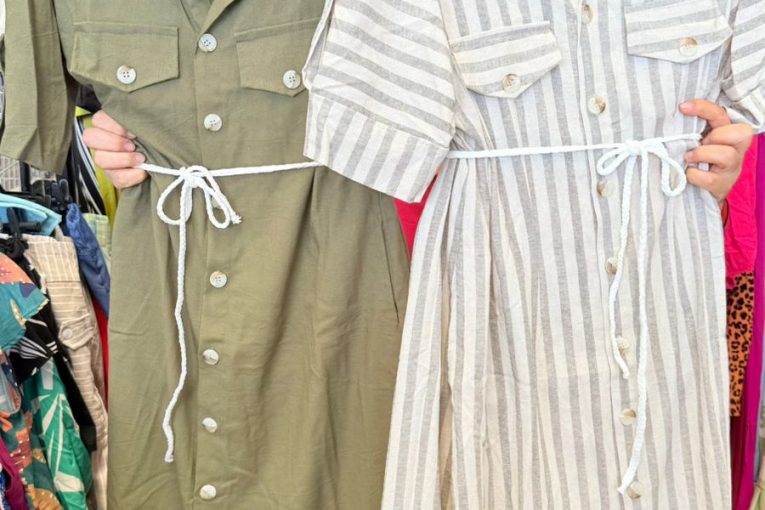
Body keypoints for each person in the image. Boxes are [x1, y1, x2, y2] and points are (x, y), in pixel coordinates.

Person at [299, 0, 762, 508]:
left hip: (667, 299)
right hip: (514, 310)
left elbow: (741, 108)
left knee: (672, 478)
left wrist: (729, 153)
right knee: (513, 474)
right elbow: (379, 147)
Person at [1, 1, 409, 508]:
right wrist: (99, 128)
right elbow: (44, 117)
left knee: (346, 470)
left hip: (333, 278)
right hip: (165, 282)